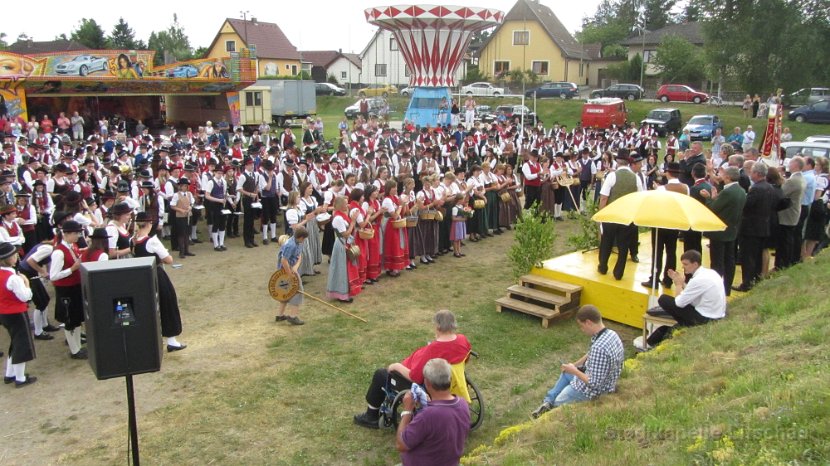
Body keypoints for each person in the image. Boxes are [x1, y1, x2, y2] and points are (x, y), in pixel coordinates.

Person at [354, 310, 471, 429]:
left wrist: (396, 366)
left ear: (438, 326)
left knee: (380, 374)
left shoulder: (434, 349)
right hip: (451, 380)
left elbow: (414, 377)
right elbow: (466, 358)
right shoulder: (462, 340)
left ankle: (371, 416)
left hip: (424, 382)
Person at [531, 305, 624, 418]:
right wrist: (573, 366)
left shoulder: (599, 348)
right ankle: (547, 402)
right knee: (566, 372)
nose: (582, 330)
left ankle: (550, 410)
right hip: (606, 381)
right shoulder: (611, 334)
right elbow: (590, 354)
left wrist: (574, 371)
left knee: (559, 402)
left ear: (588, 322)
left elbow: (594, 383)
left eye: (581, 326)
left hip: (595, 391)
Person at [637, 250, 726, 350]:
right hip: (715, 313)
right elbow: (692, 292)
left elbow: (679, 303)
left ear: (695, 264)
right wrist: (682, 283)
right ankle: (652, 341)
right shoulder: (709, 273)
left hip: (705, 317)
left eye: (686, 264)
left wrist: (678, 285)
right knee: (668, 326)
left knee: (664, 299)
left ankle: (652, 341)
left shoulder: (698, 280)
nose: (683, 267)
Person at [396, 358, 470, 466]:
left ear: (427, 383)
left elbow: (401, 445)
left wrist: (407, 410)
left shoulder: (428, 416)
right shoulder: (463, 404)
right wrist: (430, 403)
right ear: (450, 379)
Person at [132, 212, 186, 352]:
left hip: (141, 276)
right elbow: (169, 260)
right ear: (149, 224)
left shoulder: (134, 240)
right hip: (156, 274)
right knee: (167, 303)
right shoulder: (152, 241)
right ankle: (172, 340)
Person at [597, 150, 643, 280]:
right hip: (627, 216)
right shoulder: (636, 177)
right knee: (623, 246)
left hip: (611, 216)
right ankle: (618, 272)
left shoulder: (612, 176)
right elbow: (639, 197)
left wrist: (601, 215)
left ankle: (603, 266)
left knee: (607, 242)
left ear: (617, 162)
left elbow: (604, 198)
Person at [701, 167, 746, 296]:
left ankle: (715, 289)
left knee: (717, 262)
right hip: (732, 230)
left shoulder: (728, 192)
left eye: (722, 175)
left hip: (719, 232)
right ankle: (727, 288)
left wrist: (709, 198)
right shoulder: (741, 191)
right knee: (729, 260)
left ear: (727, 177)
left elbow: (712, 209)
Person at [734, 163, 775, 292]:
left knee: (748, 257)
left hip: (751, 228)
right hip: (763, 226)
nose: (750, 174)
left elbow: (747, 206)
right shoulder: (769, 187)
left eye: (751, 172)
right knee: (757, 256)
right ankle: (755, 280)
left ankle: (746, 283)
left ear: (757, 173)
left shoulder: (756, 188)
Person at [0, 242, 37, 387]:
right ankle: (20, 378)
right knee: (22, 344)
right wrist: (27, 283)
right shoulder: (13, 277)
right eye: (13, 255)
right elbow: (25, 296)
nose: (16, 256)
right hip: (16, 312)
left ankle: (10, 374)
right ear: (8, 258)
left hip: (4, 312)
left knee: (15, 342)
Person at [49, 220, 87, 359]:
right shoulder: (59, 252)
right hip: (66, 290)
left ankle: (77, 346)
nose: (78, 236)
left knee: (76, 318)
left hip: (74, 287)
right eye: (76, 233)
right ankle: (74, 350)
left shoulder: (72, 246)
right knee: (70, 320)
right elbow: (53, 275)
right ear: (67, 234)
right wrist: (72, 269)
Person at [275, 226, 307, 326]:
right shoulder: (291, 245)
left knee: (286, 292)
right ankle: (293, 317)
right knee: (297, 291)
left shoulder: (298, 243)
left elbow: (299, 256)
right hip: (285, 271)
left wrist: (295, 267)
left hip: (292, 269)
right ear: (301, 237)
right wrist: (290, 275)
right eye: (304, 238)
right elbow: (284, 261)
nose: (304, 240)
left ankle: (280, 315)